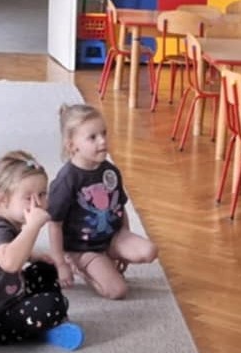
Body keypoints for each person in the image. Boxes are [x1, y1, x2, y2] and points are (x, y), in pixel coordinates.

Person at [0, 151, 82, 349]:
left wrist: (33, 256)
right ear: (2, 200)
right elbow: (9, 263)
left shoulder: (10, 222)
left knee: (45, 269)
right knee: (53, 304)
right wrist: (32, 227)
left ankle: (43, 324)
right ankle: (42, 327)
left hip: (4, 295)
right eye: (28, 197)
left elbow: (11, 249)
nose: (37, 203)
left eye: (42, 194)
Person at [47, 104, 158, 300]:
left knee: (149, 251)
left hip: (111, 237)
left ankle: (107, 258)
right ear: (72, 145)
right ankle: (80, 266)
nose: (103, 141)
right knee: (117, 291)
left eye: (104, 133)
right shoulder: (66, 180)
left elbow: (120, 207)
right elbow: (54, 224)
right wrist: (60, 263)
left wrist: (123, 243)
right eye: (93, 137)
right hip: (82, 248)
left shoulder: (110, 171)